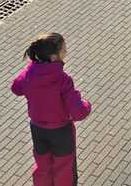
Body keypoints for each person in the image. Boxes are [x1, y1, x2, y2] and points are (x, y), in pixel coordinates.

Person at [11, 33, 92, 186]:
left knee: (43, 166)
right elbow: (78, 112)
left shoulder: (30, 73)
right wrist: (86, 104)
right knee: (63, 168)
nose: (66, 51)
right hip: (61, 131)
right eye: (64, 49)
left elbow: (16, 88)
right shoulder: (63, 79)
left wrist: (32, 69)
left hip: (37, 129)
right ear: (54, 57)